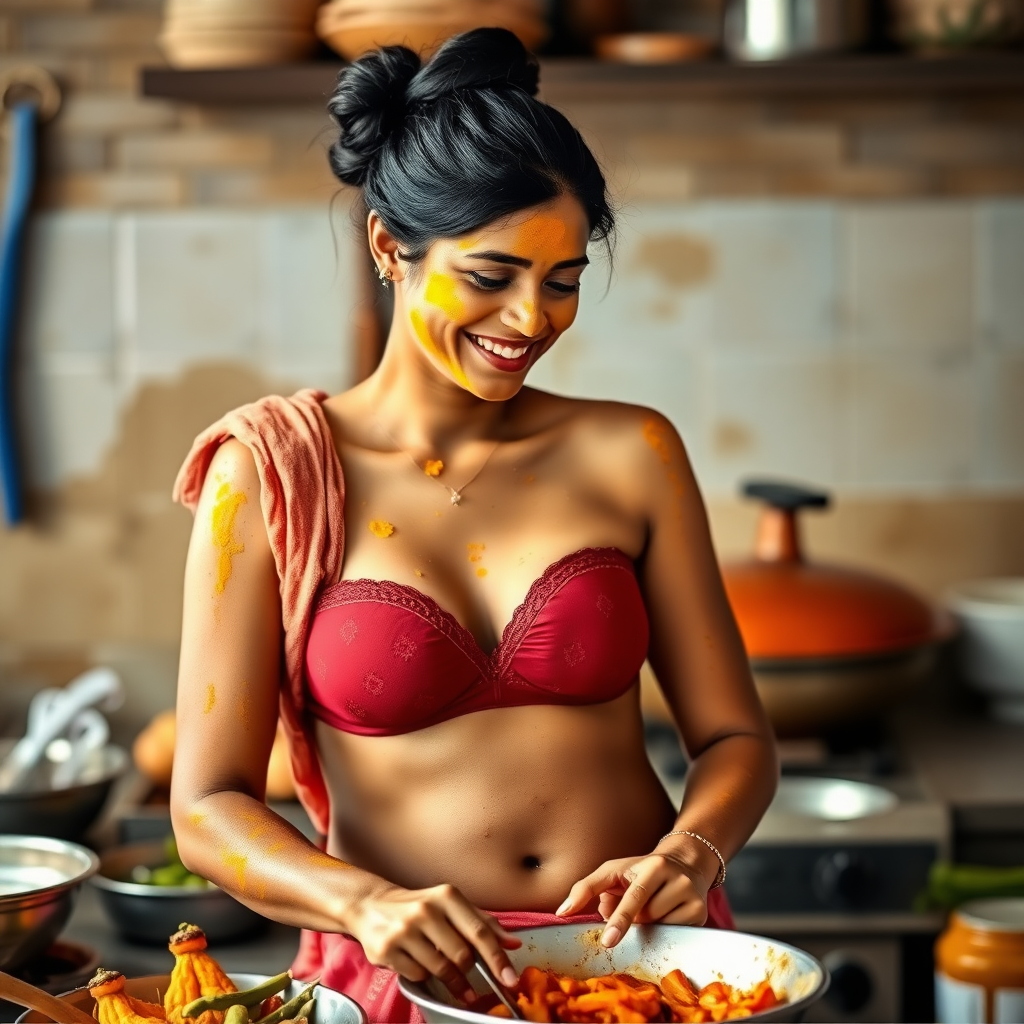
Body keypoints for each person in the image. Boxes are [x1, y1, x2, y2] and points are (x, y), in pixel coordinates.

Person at [170, 27, 778, 1024]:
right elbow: (205, 811)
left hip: (640, 970)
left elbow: (733, 737)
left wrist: (691, 849)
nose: (531, 318)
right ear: (386, 247)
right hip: (404, 987)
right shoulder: (269, 478)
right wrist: (361, 900)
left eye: (564, 279)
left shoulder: (632, 454)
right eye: (491, 275)